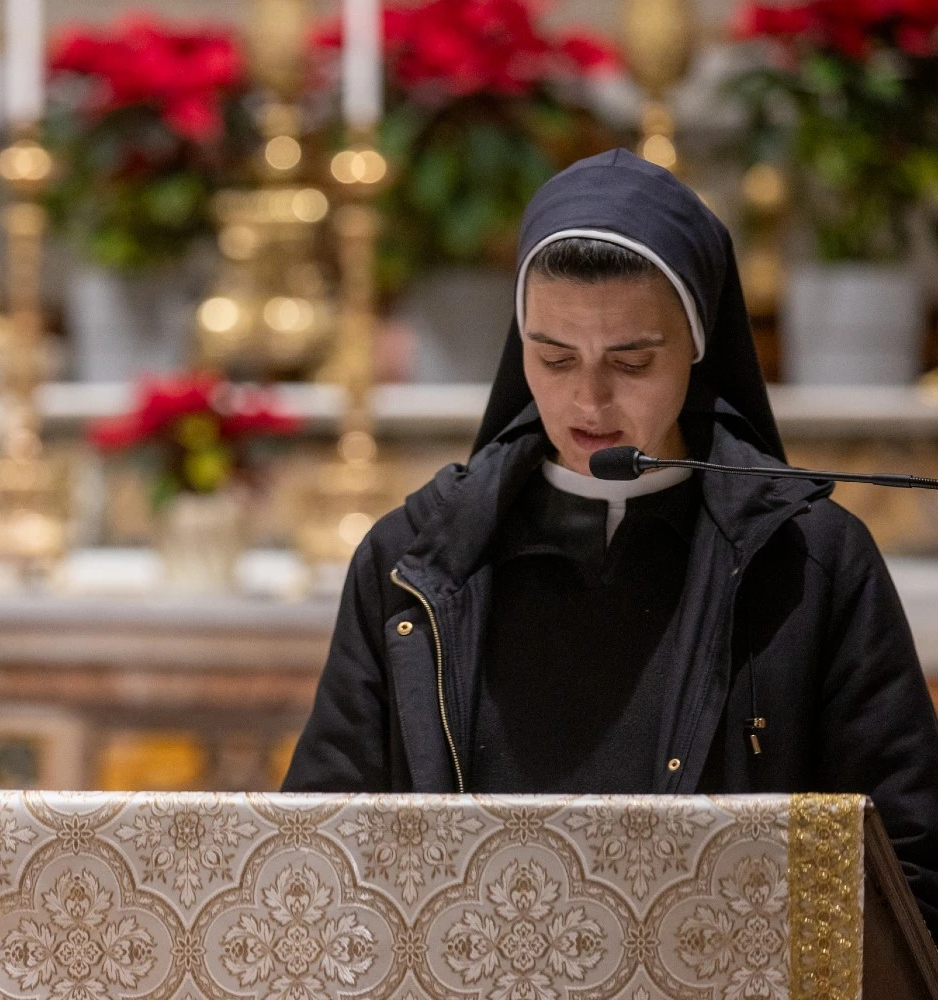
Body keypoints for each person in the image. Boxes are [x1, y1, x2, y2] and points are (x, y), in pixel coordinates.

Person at [282, 149, 938, 934]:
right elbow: (315, 853)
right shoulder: (414, 563)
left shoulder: (810, 561)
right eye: (554, 357)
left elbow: (907, 867)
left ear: (696, 344)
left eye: (632, 360)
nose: (589, 398)